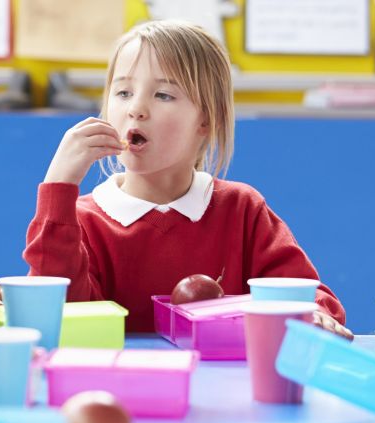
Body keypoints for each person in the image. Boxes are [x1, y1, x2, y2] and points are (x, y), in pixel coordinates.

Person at [23, 20, 349, 337]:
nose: (136, 109)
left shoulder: (242, 209)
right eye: (123, 92)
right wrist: (58, 187)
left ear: (205, 120)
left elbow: (310, 298)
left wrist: (314, 314)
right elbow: (55, 315)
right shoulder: (81, 221)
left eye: (163, 95)